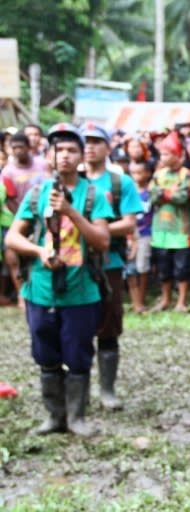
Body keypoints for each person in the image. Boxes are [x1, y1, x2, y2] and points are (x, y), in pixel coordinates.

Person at [5, 123, 113, 437]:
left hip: (81, 290)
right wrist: (39, 251)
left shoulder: (93, 195)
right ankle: (54, 417)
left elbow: (102, 240)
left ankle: (77, 418)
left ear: (81, 156)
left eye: (71, 150)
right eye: (58, 149)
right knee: (45, 353)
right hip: (39, 289)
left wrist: (70, 211)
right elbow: (13, 237)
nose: (64, 156)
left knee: (78, 353)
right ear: (49, 155)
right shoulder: (37, 193)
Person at [81, 123, 143, 411]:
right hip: (74, 263)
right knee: (76, 324)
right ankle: (78, 388)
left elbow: (130, 222)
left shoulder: (120, 183)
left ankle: (107, 389)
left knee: (108, 323)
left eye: (96, 141)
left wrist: (94, 230)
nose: (90, 146)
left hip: (110, 262)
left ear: (108, 147)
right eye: (86, 141)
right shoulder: (69, 181)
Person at [148, 131, 190, 312]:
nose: (163, 157)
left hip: (181, 231)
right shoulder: (158, 174)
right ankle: (165, 299)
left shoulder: (186, 174)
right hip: (160, 230)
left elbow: (183, 197)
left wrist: (163, 193)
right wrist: (168, 193)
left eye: (167, 154)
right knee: (163, 268)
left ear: (178, 155)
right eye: (162, 154)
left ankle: (181, 302)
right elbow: (152, 196)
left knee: (182, 268)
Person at [3, 132, 50, 307]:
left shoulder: (42, 165)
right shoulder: (8, 171)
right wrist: (21, 217)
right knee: (13, 256)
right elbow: (8, 198)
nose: (17, 151)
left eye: (20, 147)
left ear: (29, 148)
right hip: (16, 217)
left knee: (41, 252)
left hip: (42, 218)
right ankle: (20, 293)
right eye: (14, 148)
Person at [125, 159, 153, 314]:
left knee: (142, 268)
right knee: (130, 270)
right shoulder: (128, 193)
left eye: (139, 172)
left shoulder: (151, 192)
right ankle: (135, 302)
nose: (136, 176)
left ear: (147, 173)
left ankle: (141, 301)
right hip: (129, 234)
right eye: (133, 173)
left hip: (145, 234)